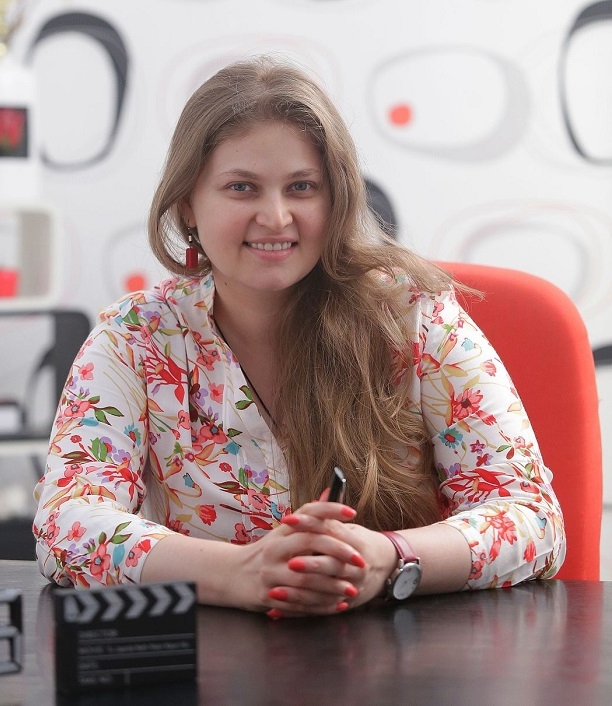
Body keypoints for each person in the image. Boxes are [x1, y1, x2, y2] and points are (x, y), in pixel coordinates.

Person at [33, 55, 565, 617]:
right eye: (242, 187)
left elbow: (533, 518)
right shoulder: (135, 339)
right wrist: (238, 574)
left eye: (302, 187)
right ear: (188, 202)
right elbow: (66, 524)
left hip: (403, 654)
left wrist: (389, 560)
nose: (276, 217)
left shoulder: (414, 319)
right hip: (212, 659)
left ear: (335, 199)